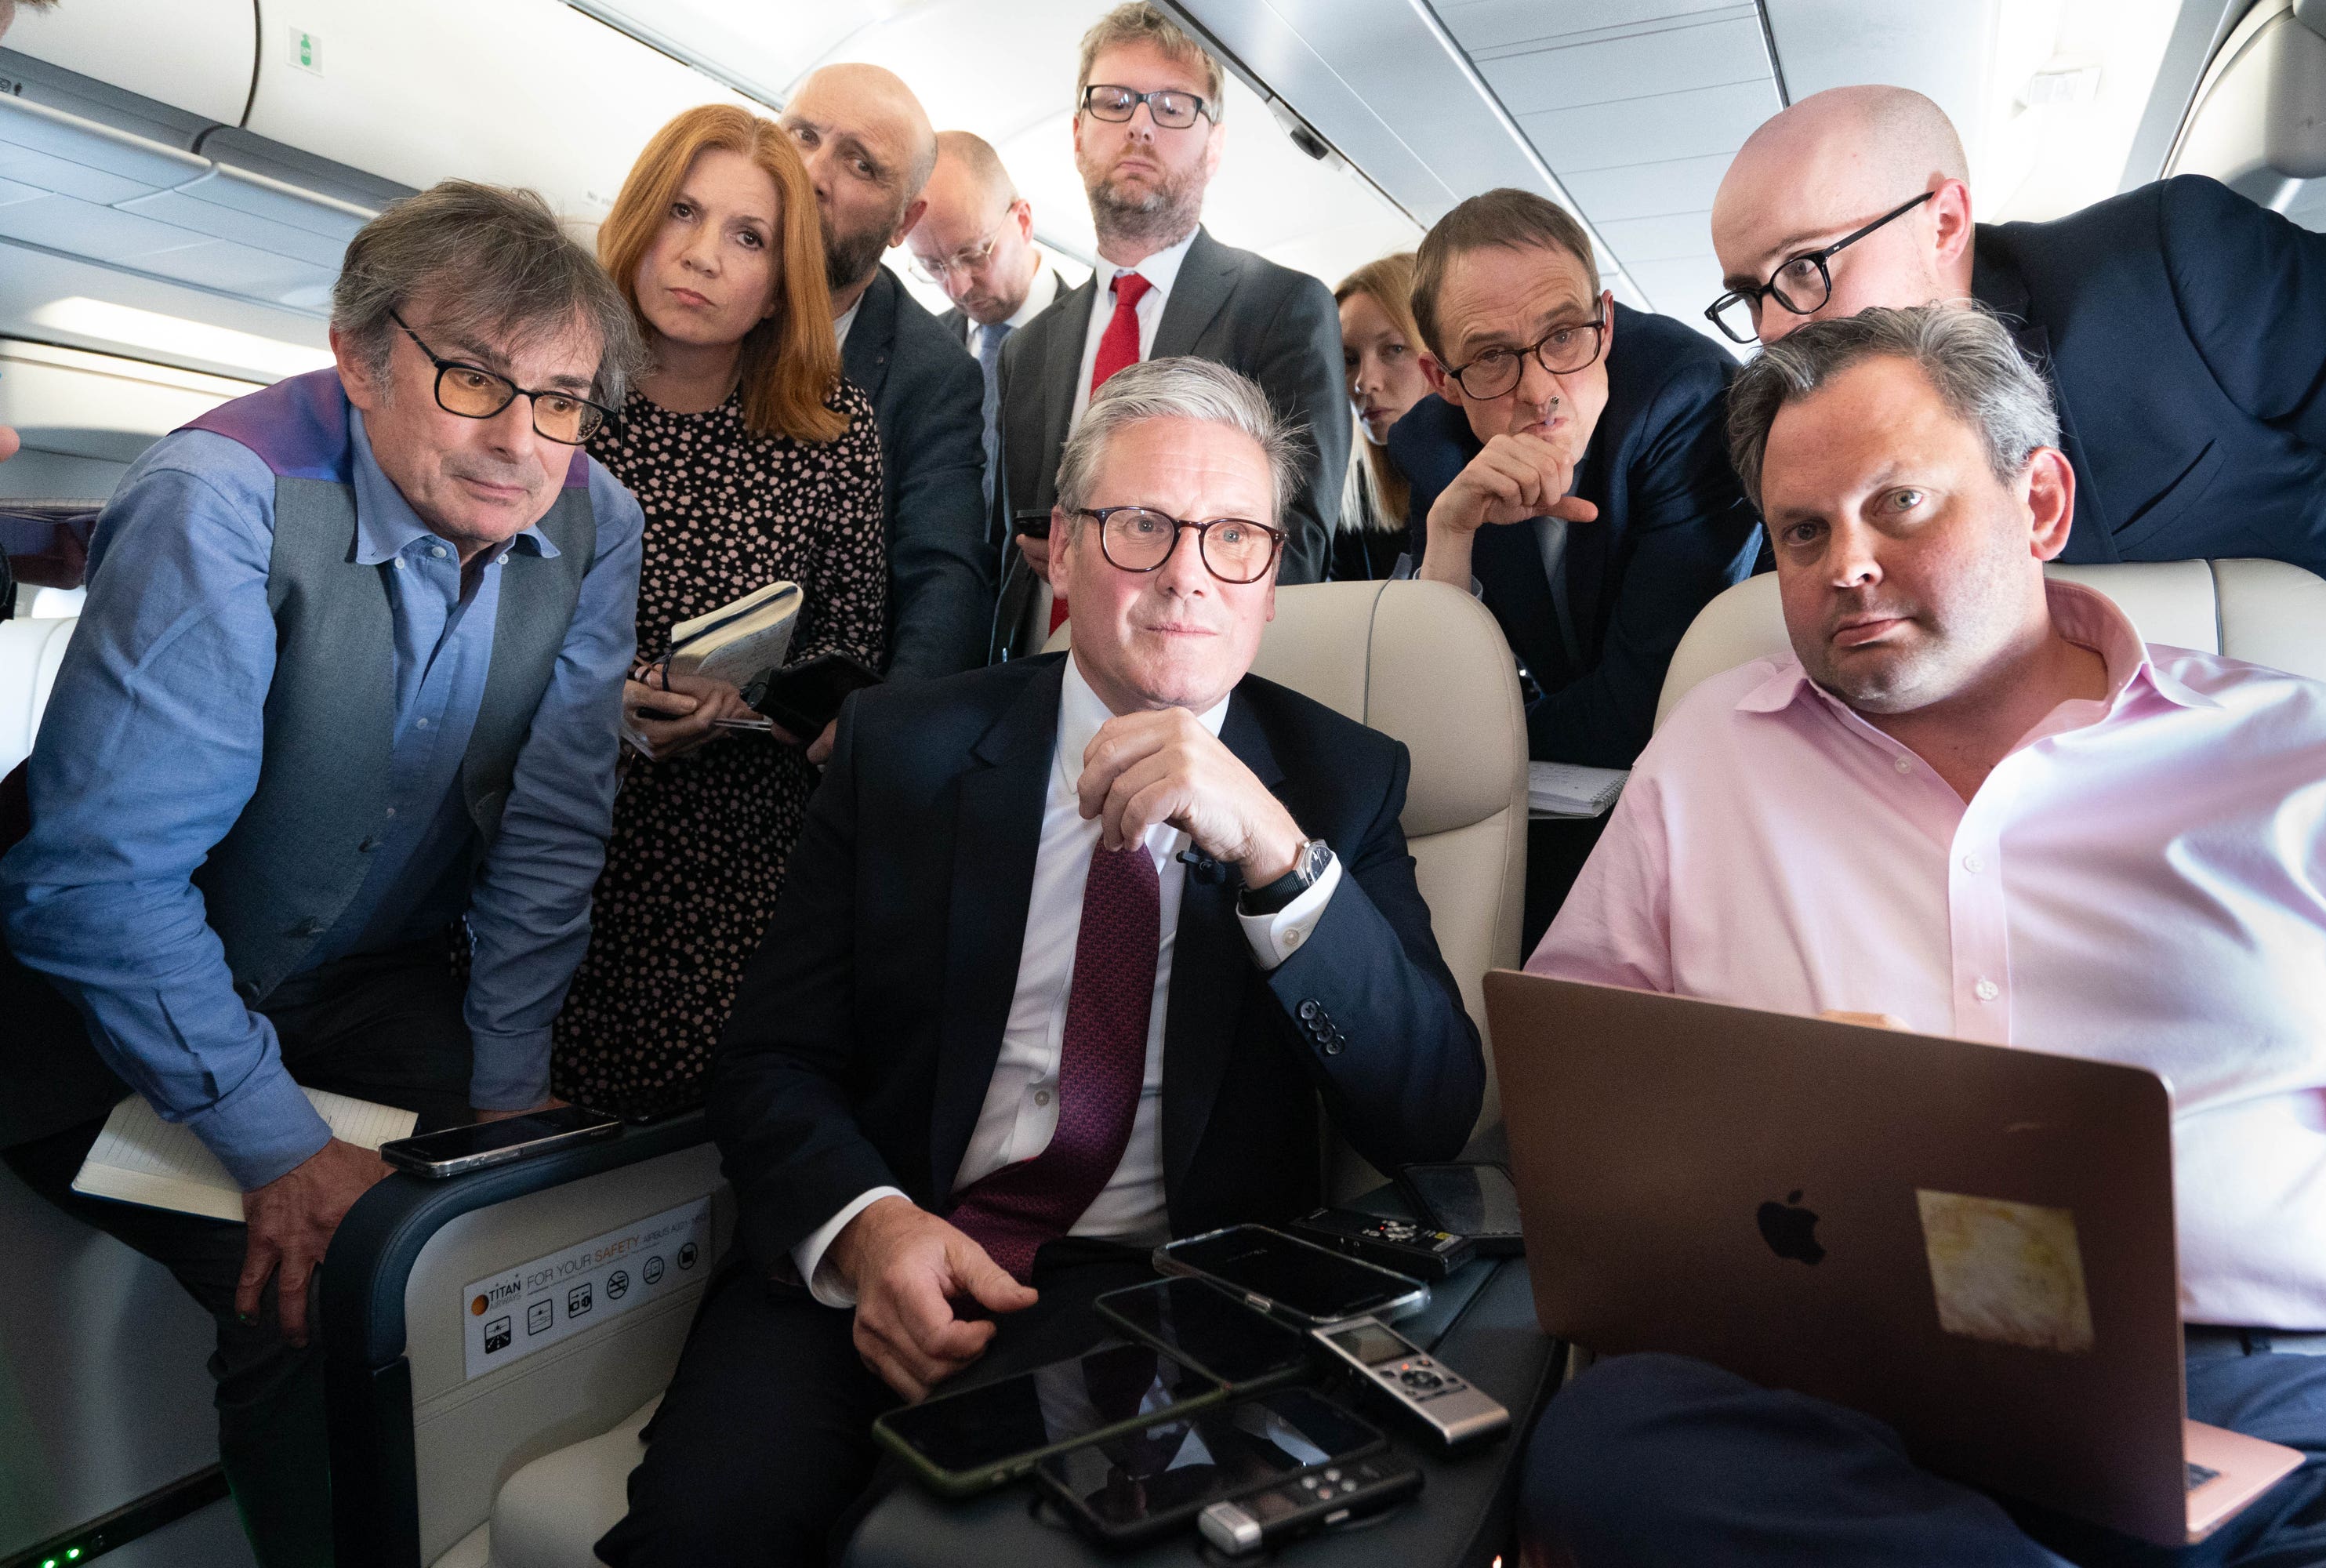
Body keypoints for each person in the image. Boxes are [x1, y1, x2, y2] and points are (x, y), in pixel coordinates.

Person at [593, 356, 1485, 1567]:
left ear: (1273, 581)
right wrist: (869, 1230)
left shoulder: (1341, 782)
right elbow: (771, 1061)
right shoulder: (906, 749)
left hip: (1146, 1300)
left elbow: (1430, 1110)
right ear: (1060, 553)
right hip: (884, 1233)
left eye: (1235, 537)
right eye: (1141, 528)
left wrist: (1278, 857)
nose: (1186, 575)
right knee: (706, 1534)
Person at [1518, 304, 2326, 1567]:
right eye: (1803, 532)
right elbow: (1578, 1095)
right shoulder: (1703, 760)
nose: (1846, 562)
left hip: (2254, 1388)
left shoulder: (2306, 757)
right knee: (1608, 1443)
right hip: (1845, 1395)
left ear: (2043, 504)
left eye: (1899, 504)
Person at [0, 181, 646, 1568]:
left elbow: (547, 836)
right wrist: (275, 1143)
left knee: (536, 1223)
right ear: (358, 356)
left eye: (562, 399)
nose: (519, 441)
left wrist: (510, 1081)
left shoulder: (597, 522)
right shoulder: (218, 501)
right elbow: (99, 889)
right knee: (300, 1293)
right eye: (474, 379)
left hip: (351, 985)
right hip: (82, 1005)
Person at [549, 106, 887, 1119]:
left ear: (783, 277)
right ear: (640, 220)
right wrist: (604, 705)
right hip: (559, 850)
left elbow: (850, 649)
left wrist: (767, 704)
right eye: (683, 214)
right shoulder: (556, 405)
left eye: (747, 238)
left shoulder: (835, 431)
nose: (701, 257)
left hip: (747, 866)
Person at [1709, 85, 2326, 590]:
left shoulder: (2171, 269)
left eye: (1803, 266)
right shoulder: (1792, 435)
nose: (1771, 329)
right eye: (1748, 294)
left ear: (1945, 223)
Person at [989, 2, 1351, 657]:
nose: (1140, 126)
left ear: (1215, 146)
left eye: (1173, 106)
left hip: (1194, 679)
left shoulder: (1284, 309)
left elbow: (1297, 543)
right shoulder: (1027, 347)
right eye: (1115, 100)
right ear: (1076, 134)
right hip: (1035, 677)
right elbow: (1007, 549)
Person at [1388, 188, 1761, 768]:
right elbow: (1433, 701)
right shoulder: (1432, 450)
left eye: (1563, 336)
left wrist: (1471, 747)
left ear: (1606, 324)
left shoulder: (1687, 398)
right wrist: (1449, 536)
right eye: (1491, 357)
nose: (1540, 393)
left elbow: (1651, 703)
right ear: (1443, 381)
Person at [782, 64, 992, 683]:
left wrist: (884, 733)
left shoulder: (932, 374)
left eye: (861, 164)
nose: (814, 175)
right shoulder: (685, 299)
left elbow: (943, 574)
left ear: (905, 221)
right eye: (803, 136)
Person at [909, 130, 1074, 509]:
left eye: (973, 254)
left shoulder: (1093, 338)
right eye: (932, 266)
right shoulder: (922, 347)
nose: (958, 287)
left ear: (1024, 221)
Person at [1329, 252, 1432, 583]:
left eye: (1394, 349)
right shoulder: (1354, 499)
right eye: (1349, 359)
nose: (1363, 381)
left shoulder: (1493, 479)